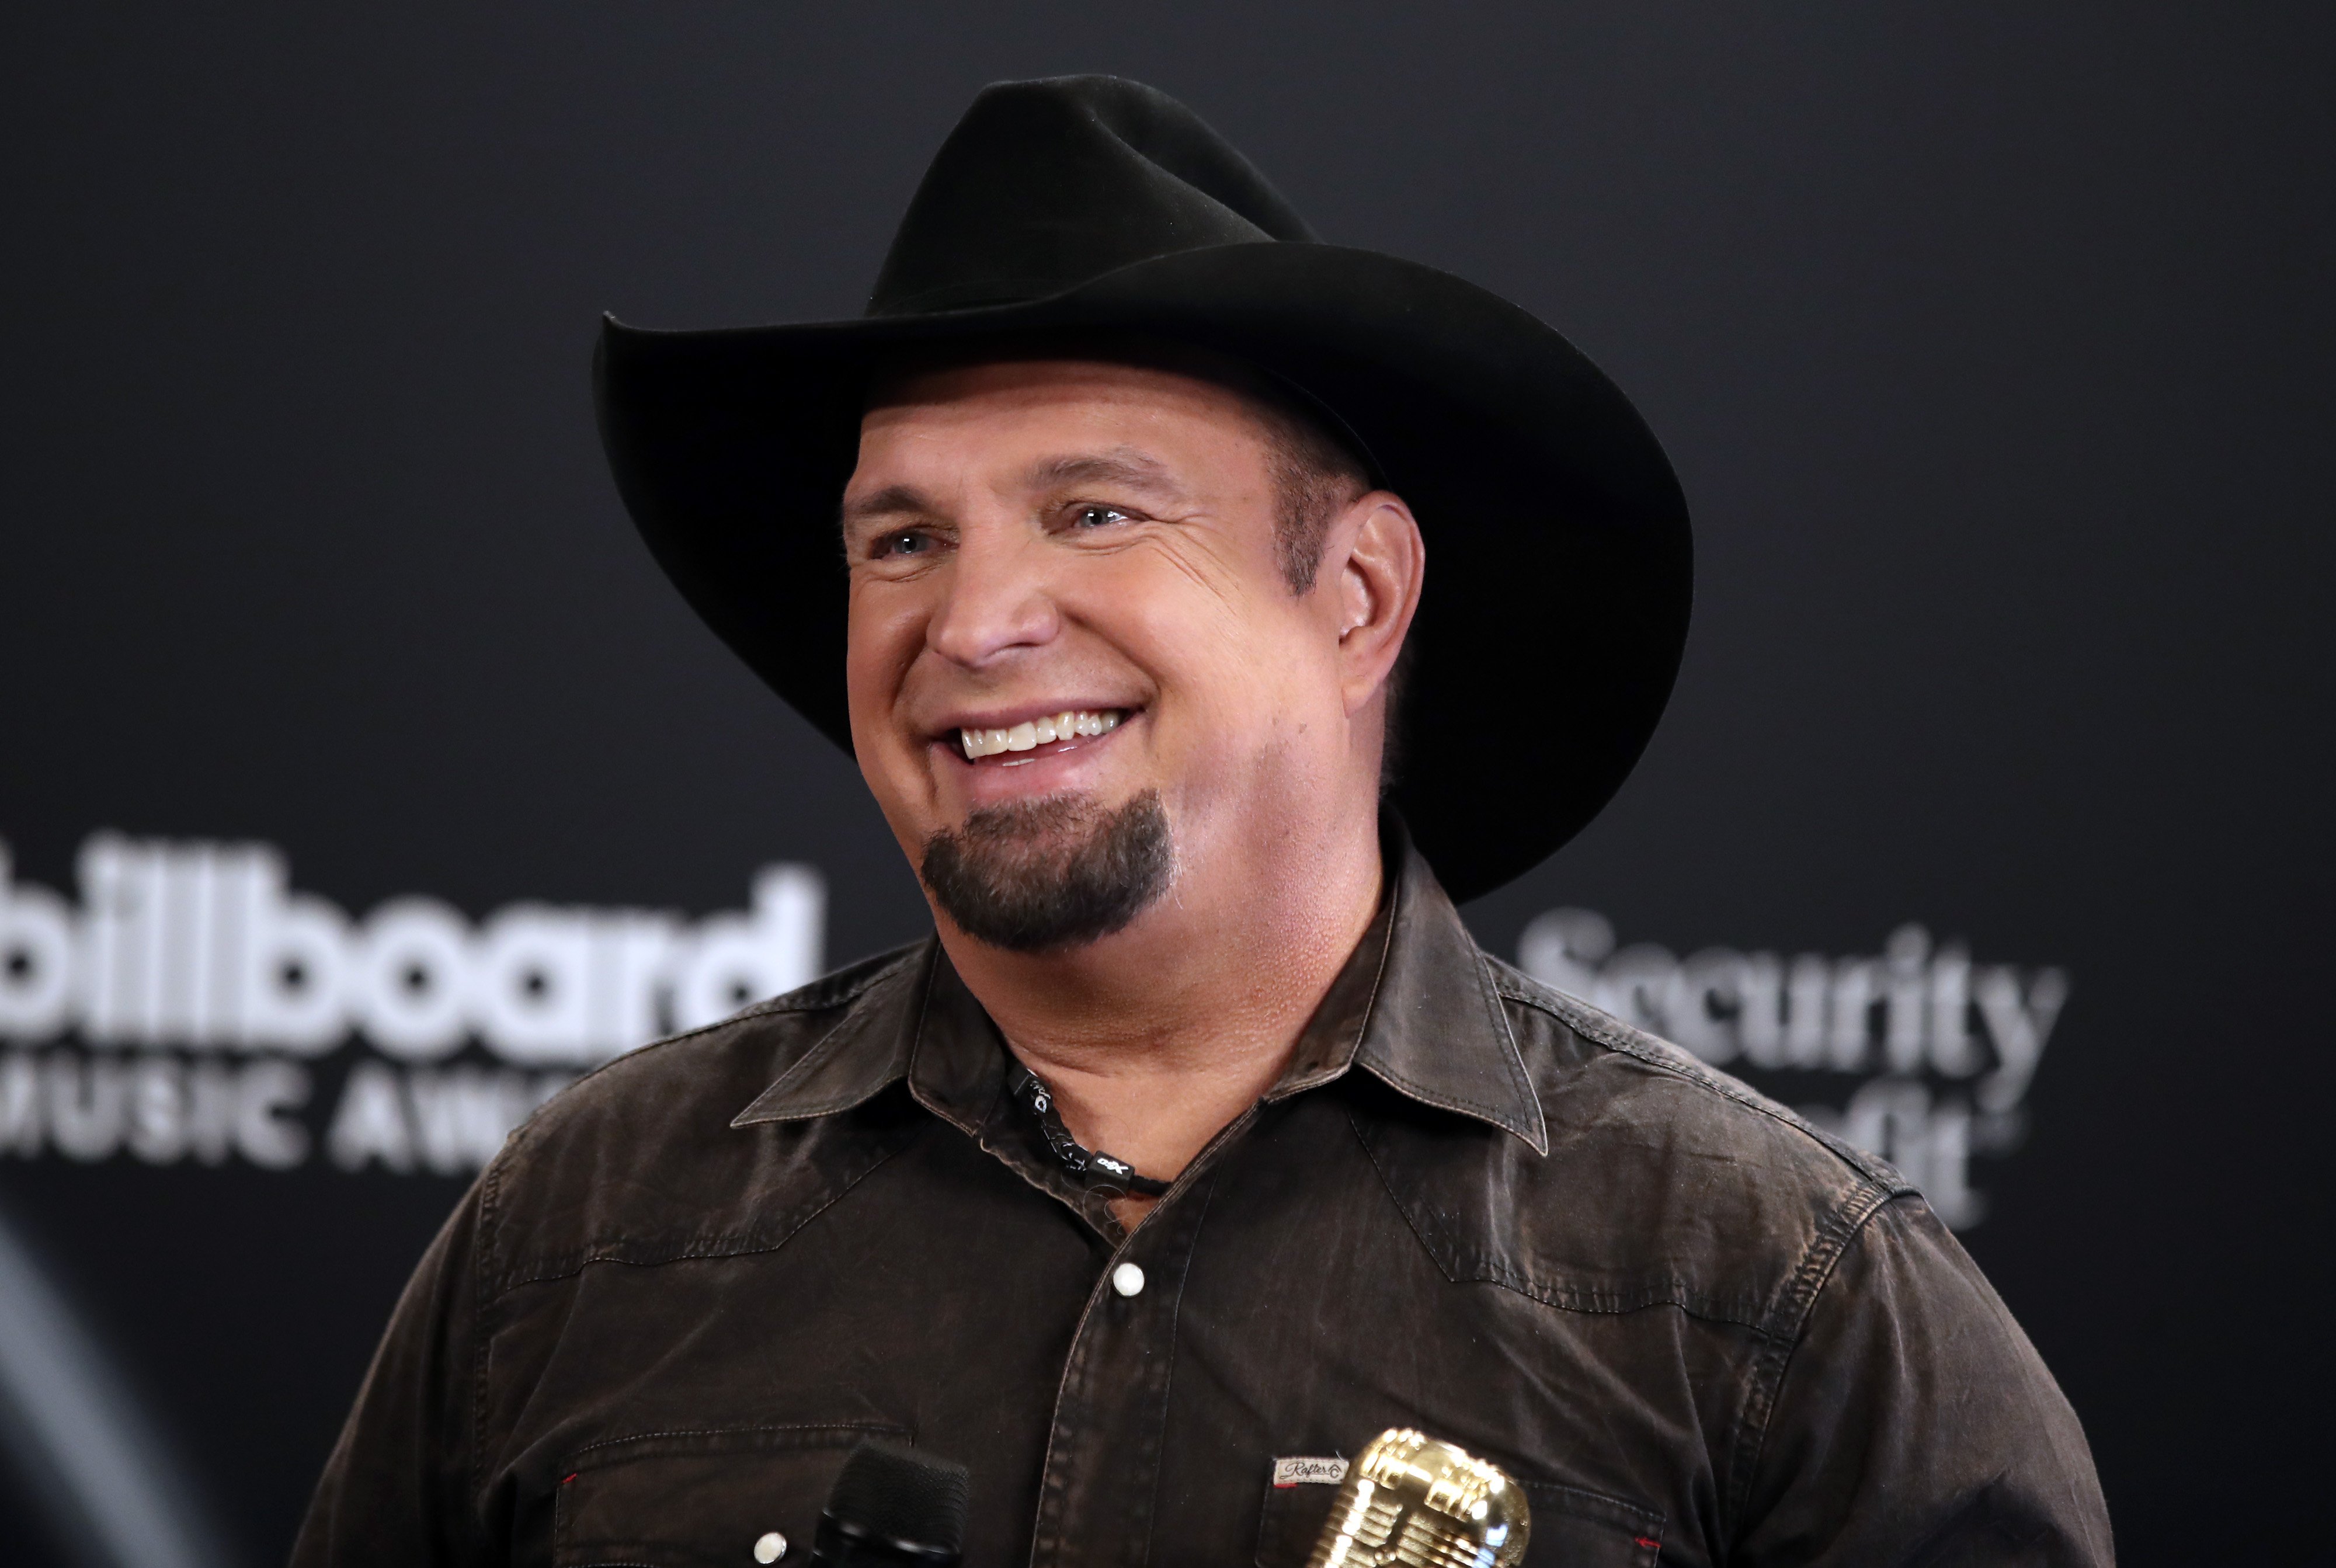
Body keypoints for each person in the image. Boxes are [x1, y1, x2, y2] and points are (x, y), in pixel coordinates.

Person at [295, 76, 2111, 1567]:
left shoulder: (1770, 1296)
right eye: (903, 539)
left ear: (1359, 599)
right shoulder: (590, 1229)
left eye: (1095, 514)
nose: (975, 622)